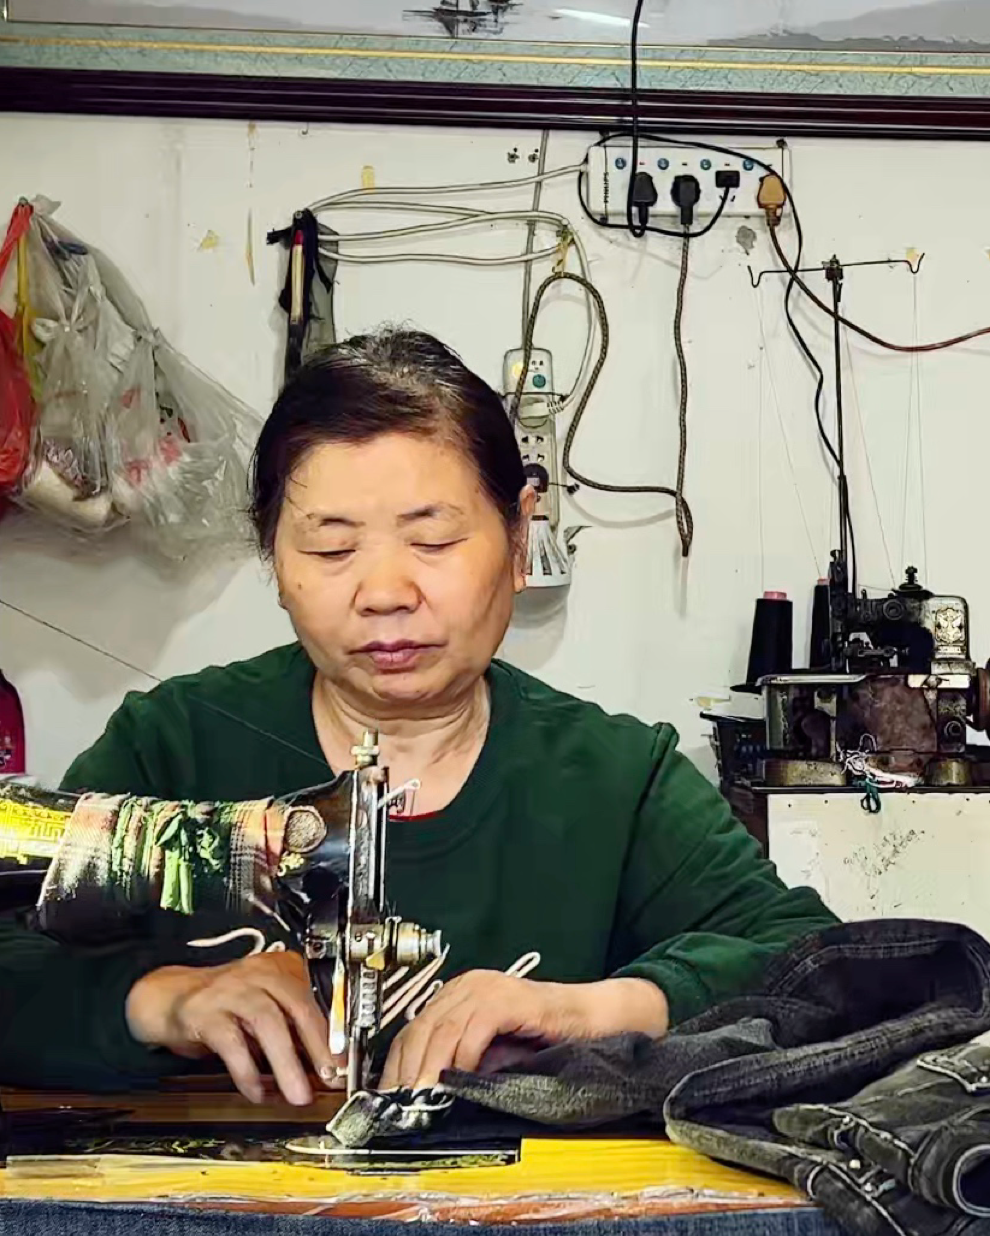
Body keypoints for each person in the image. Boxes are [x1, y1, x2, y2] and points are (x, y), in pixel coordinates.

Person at [0, 329, 836, 1108]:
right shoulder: (174, 747)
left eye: (433, 541)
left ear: (519, 537)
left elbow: (811, 961)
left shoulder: (617, 779)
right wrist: (161, 1001)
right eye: (331, 549)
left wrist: (594, 1008)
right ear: (274, 559)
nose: (386, 593)